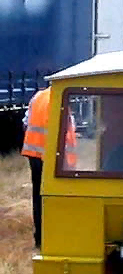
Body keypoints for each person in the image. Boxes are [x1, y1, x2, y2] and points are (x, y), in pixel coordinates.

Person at [21, 87, 77, 248]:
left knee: (39, 196)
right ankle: (56, 236)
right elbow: (66, 129)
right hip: (56, 157)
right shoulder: (63, 97)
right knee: (57, 197)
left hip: (35, 154)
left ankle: (40, 238)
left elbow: (26, 123)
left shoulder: (38, 97)